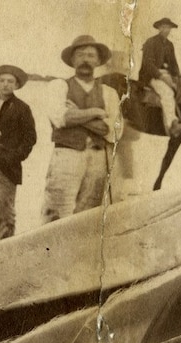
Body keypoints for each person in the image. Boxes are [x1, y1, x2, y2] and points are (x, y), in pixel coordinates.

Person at [42, 34, 121, 223]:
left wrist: (77, 114)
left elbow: (113, 131)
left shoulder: (108, 93)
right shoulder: (58, 86)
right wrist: (96, 112)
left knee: (88, 216)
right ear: (72, 60)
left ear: (98, 61)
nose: (85, 60)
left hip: (97, 159)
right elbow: (61, 118)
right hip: (67, 156)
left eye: (91, 55)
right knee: (57, 212)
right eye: (80, 55)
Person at [0, 65, 37, 239]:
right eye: (2, 81)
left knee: (6, 211)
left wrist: (13, 157)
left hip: (6, 167)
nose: (6, 85)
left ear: (16, 85)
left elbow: (30, 138)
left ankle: (5, 246)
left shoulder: (22, 108)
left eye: (10, 81)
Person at [140, 17, 181, 137]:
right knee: (167, 92)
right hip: (151, 75)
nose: (166, 30)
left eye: (168, 27)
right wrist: (161, 77)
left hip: (166, 75)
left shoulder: (170, 45)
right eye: (163, 27)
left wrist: (178, 77)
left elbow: (174, 64)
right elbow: (147, 64)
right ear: (159, 28)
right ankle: (172, 125)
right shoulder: (151, 42)